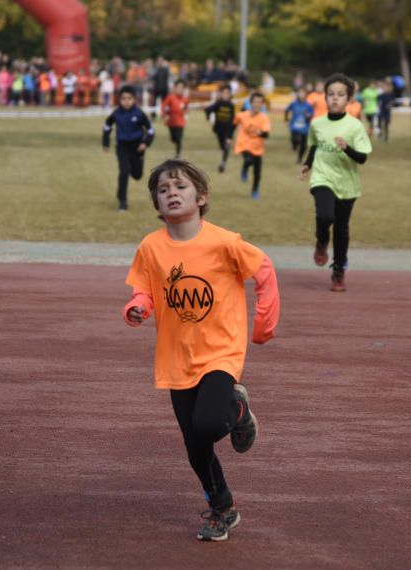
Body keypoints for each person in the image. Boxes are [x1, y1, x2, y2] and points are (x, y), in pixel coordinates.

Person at [122, 158, 279, 542]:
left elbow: (265, 271)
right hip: (177, 358)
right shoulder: (151, 247)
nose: (171, 193)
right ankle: (223, 507)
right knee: (196, 447)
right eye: (163, 190)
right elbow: (144, 288)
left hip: (220, 351)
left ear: (201, 196)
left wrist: (263, 326)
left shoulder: (224, 242)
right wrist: (137, 306)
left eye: (180, 187)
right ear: (156, 205)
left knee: (209, 424)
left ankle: (236, 408)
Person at [300, 73, 371, 292]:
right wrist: (308, 164)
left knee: (341, 228)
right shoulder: (317, 124)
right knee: (325, 216)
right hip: (322, 177)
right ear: (325, 97)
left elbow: (363, 157)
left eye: (341, 95)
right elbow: (314, 145)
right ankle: (322, 241)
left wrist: (347, 148)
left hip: (347, 183)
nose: (335, 98)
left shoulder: (355, 126)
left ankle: (338, 270)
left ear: (349, 99)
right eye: (331, 94)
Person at [103, 85, 155, 211]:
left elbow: (150, 130)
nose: (126, 101)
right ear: (119, 100)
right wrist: (106, 142)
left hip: (138, 147)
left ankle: (131, 166)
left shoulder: (139, 114)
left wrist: (145, 143)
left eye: (129, 98)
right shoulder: (116, 114)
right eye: (123, 99)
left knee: (137, 175)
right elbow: (107, 126)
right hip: (122, 146)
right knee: (124, 171)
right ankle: (122, 201)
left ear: (134, 99)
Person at [233, 92, 271, 200]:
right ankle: (245, 168)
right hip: (244, 143)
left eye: (260, 102)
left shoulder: (264, 118)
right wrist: (229, 137)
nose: (257, 104)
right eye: (255, 102)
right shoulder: (242, 115)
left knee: (257, 172)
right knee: (248, 160)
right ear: (251, 103)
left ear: (262, 104)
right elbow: (234, 123)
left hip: (258, 147)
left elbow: (266, 134)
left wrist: (261, 133)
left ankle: (255, 190)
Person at [204, 84, 236, 173]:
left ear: (230, 94)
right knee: (222, 146)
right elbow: (208, 109)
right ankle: (224, 155)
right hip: (218, 129)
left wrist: (231, 134)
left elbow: (233, 120)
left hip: (227, 130)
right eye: (224, 93)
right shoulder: (219, 103)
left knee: (226, 146)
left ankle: (223, 164)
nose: (226, 94)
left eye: (227, 93)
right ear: (221, 94)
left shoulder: (231, 105)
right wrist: (208, 118)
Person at [284, 87, 314, 164]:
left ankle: (300, 158)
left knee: (304, 145)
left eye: (303, 93)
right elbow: (286, 110)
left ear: (305, 94)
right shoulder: (294, 103)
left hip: (305, 128)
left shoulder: (308, 105)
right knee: (295, 140)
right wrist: (286, 120)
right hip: (294, 127)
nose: (301, 94)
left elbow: (311, 115)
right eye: (300, 92)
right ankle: (294, 145)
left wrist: (308, 116)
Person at [161, 79, 190, 158]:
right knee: (173, 138)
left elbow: (186, 108)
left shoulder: (185, 99)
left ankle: (178, 154)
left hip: (180, 121)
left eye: (182, 88)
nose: (180, 89)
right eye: (179, 87)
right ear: (175, 88)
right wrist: (165, 115)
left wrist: (186, 113)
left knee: (178, 138)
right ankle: (175, 143)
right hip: (171, 121)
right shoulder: (170, 97)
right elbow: (164, 107)